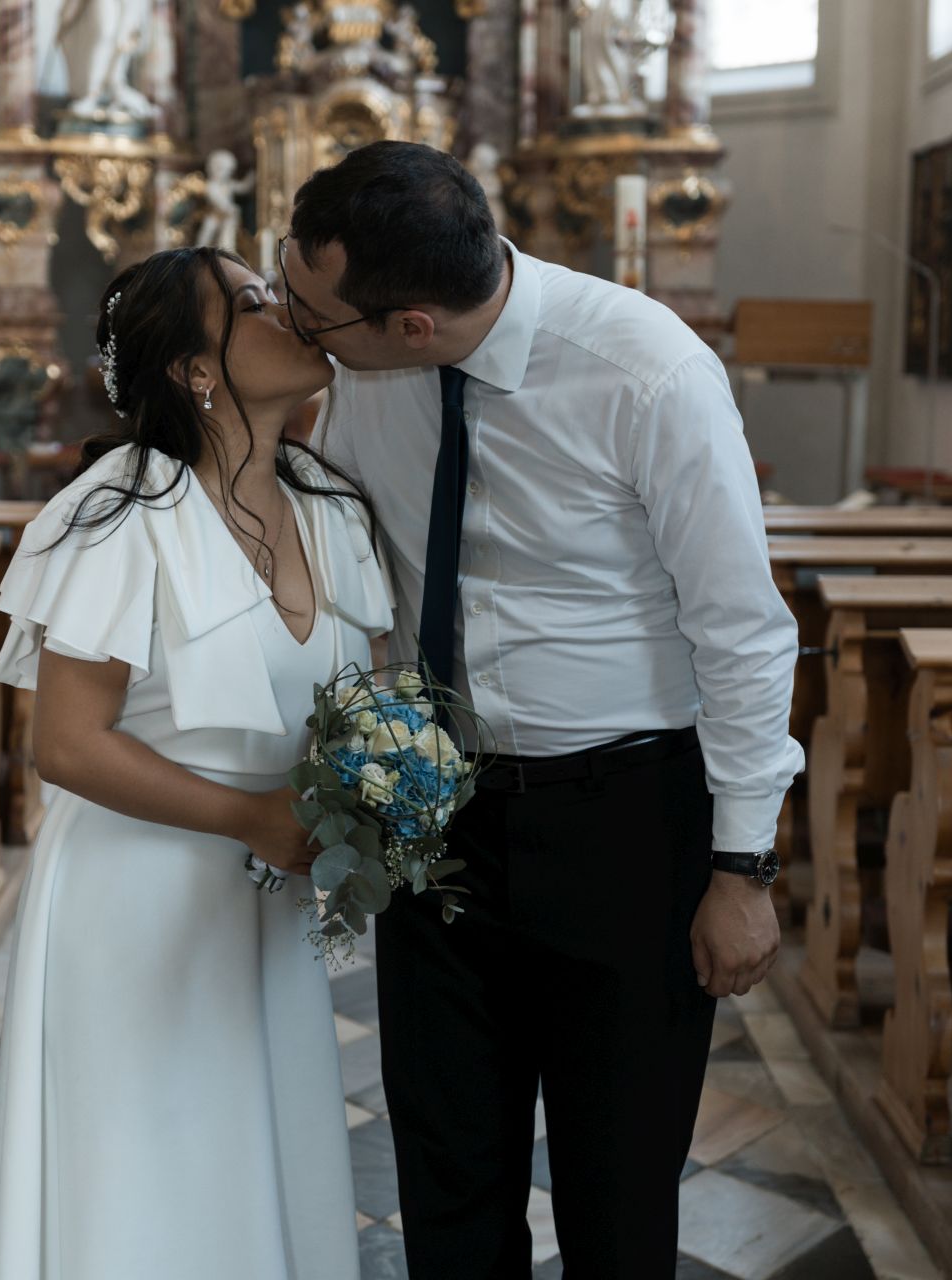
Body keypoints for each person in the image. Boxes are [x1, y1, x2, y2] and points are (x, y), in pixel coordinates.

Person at [284, 140, 803, 1277]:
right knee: (448, 1175)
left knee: (618, 1186)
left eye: (312, 314)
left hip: (625, 819)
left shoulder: (646, 371)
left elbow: (743, 629)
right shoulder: (364, 376)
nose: (295, 326)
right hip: (438, 812)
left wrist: (744, 867)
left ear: (410, 324)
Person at [0, 246, 393, 1279]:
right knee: (154, 1169)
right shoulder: (117, 514)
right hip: (138, 890)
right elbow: (67, 743)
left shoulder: (330, 504)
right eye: (253, 304)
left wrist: (377, 789)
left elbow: (365, 695)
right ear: (194, 369)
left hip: (268, 891)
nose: (286, 311)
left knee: (259, 1152)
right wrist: (251, 817)